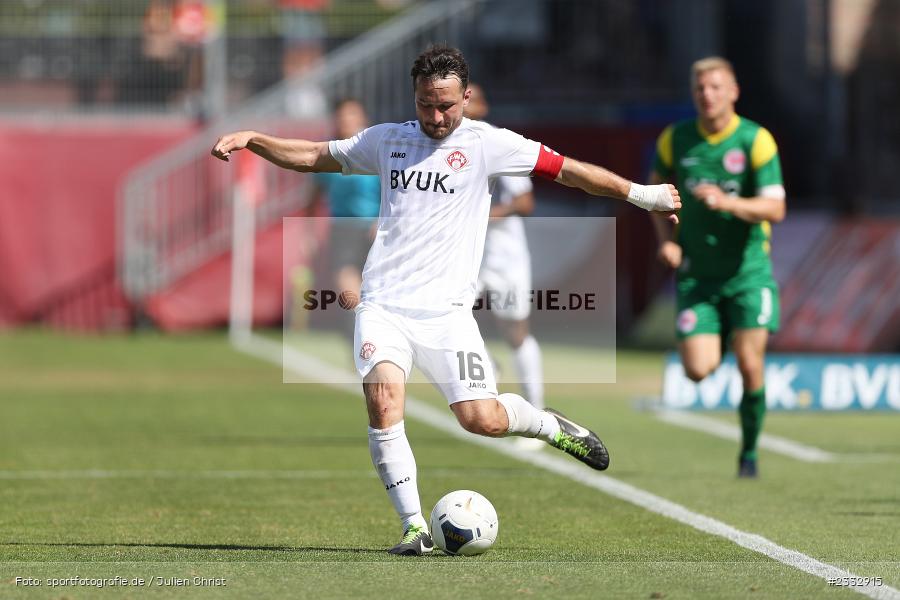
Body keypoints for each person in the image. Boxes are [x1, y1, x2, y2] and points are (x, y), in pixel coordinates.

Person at [212, 45, 680, 555]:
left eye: (446, 106)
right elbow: (313, 157)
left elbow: (568, 170)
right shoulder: (386, 140)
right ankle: (414, 527)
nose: (435, 117)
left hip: (448, 315)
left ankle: (548, 424)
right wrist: (255, 139)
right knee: (383, 401)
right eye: (425, 105)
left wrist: (643, 195)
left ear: (467, 97)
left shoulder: (489, 144)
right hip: (383, 306)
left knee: (482, 419)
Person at [649, 57, 786, 479]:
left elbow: (776, 208)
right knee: (697, 369)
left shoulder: (755, 140)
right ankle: (722, 333)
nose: (707, 95)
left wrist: (728, 202)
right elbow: (655, 192)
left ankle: (749, 455)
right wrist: (667, 240)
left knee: (750, 364)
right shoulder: (676, 138)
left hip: (748, 274)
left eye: (715, 87)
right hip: (698, 276)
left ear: (733, 91)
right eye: (700, 88)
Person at [464, 83, 544, 450]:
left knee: (516, 333)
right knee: (447, 317)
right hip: (465, 257)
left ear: (482, 107)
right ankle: (485, 365)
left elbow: (525, 203)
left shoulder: (500, 145)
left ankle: (537, 413)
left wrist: (484, 215)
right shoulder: (441, 147)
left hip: (505, 258)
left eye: (469, 99)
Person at [311, 99, 381, 335]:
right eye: (342, 116)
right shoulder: (329, 154)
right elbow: (313, 197)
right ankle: (363, 330)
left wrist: (382, 219)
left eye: (352, 115)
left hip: (375, 228)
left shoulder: (376, 151)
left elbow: (396, 192)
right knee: (346, 284)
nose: (346, 120)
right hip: (343, 228)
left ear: (363, 119)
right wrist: (308, 234)